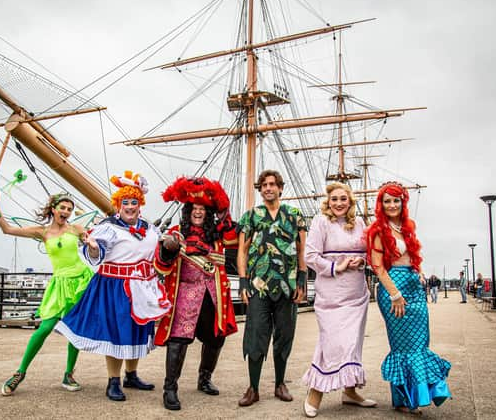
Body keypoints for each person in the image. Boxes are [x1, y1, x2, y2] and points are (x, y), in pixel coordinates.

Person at [54, 171, 171, 402]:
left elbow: (158, 251)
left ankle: (131, 375)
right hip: (114, 288)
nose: (130, 207)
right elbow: (96, 253)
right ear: (119, 205)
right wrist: (94, 247)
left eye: (134, 202)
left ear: (140, 205)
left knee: (137, 330)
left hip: (143, 287)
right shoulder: (108, 227)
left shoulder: (149, 228)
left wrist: (170, 244)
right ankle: (113, 381)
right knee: (117, 334)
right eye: (125, 202)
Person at [0, 191, 93, 396]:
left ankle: (68, 374)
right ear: (53, 209)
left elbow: (92, 240)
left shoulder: (76, 228)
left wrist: (90, 241)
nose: (66, 211)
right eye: (62, 207)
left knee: (74, 330)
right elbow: (7, 229)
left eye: (69, 209)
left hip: (81, 280)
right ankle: (20, 373)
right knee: (44, 328)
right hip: (60, 282)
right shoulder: (43, 232)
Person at [153, 176, 238, 411]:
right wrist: (168, 250)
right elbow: (161, 267)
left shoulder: (217, 235)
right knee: (179, 339)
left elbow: (234, 240)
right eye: (194, 208)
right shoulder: (176, 233)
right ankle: (170, 388)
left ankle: (204, 378)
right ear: (188, 210)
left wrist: (224, 211)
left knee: (215, 338)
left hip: (213, 295)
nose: (198, 212)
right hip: (185, 295)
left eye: (202, 209)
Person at [366, 182, 451, 414]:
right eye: (387, 201)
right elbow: (378, 267)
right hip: (393, 287)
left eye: (396, 200)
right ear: (380, 204)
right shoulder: (377, 230)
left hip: (414, 287)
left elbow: (412, 255)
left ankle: (419, 394)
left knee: (420, 343)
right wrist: (395, 294)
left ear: (403, 202)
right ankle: (403, 399)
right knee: (403, 346)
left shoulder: (407, 227)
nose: (392, 205)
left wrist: (420, 273)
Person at [301, 183, 376, 418]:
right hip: (331, 294)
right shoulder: (320, 222)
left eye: (343, 199)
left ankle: (350, 391)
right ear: (328, 201)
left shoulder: (360, 223)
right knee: (331, 342)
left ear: (350, 201)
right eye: (334, 199)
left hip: (356, 294)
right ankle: (316, 392)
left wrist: (362, 261)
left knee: (352, 343)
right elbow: (310, 256)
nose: (339, 203)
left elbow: (369, 253)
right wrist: (337, 266)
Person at [236, 169, 307, 407]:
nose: (268, 188)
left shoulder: (294, 215)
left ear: (280, 188)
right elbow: (242, 251)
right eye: (264, 185)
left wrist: (302, 279)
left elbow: (301, 249)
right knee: (255, 336)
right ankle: (253, 388)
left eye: (272, 184)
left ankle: (280, 384)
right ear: (260, 189)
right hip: (259, 286)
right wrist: (243, 282)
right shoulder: (251, 216)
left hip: (287, 285)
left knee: (284, 336)